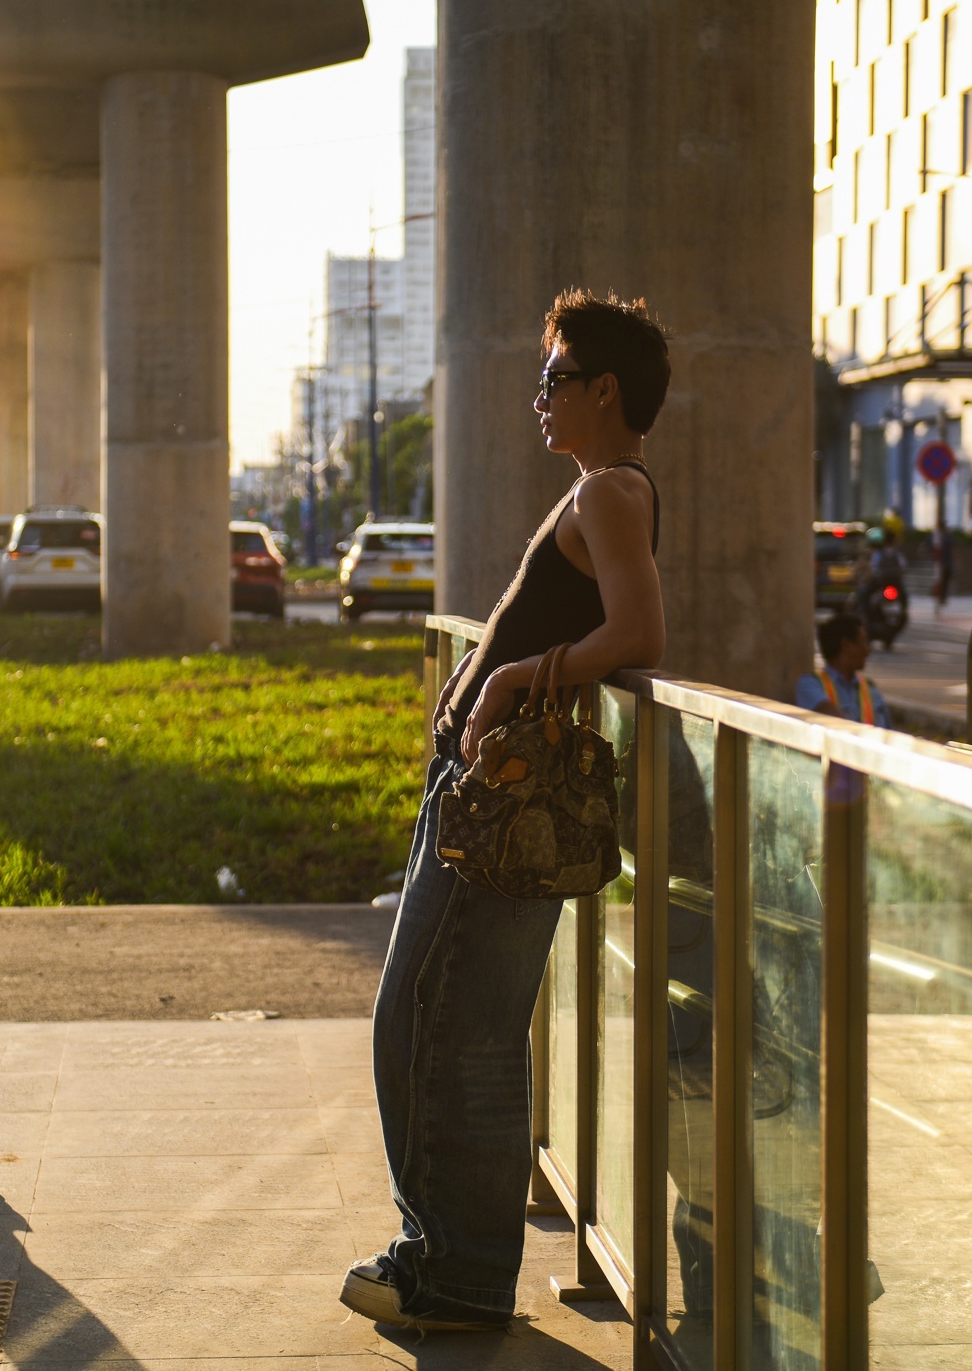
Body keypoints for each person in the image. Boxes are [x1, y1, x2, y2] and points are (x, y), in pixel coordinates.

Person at [346, 290, 667, 1333]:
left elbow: (642, 628)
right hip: (481, 792)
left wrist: (524, 670)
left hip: (502, 802)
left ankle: (453, 1270)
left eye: (554, 378)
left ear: (603, 389)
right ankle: (453, 1259)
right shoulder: (595, 488)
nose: (539, 397)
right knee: (450, 1023)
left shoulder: (612, 490)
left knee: (439, 1023)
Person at [796, 613, 894, 729]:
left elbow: (890, 732)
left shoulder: (871, 689)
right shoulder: (810, 685)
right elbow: (832, 717)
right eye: (863, 643)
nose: (867, 651)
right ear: (846, 645)